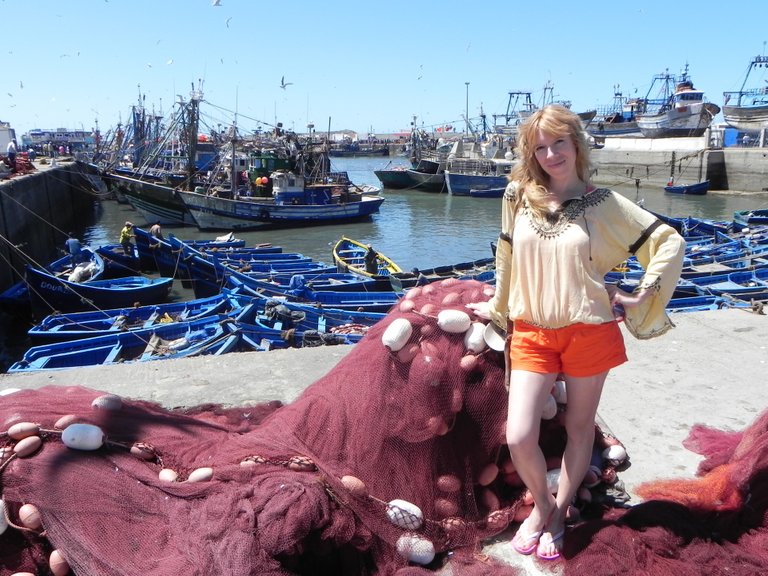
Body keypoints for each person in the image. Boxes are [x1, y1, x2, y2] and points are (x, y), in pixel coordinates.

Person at [466, 105, 685, 561]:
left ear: (576, 143)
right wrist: (497, 310)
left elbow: (668, 241)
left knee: (579, 429)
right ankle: (542, 507)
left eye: (558, 142)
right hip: (532, 331)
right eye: (539, 147)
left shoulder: (604, 203)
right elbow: (506, 259)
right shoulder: (516, 196)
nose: (550, 154)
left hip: (589, 330)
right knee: (519, 434)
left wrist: (640, 294)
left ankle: (560, 513)